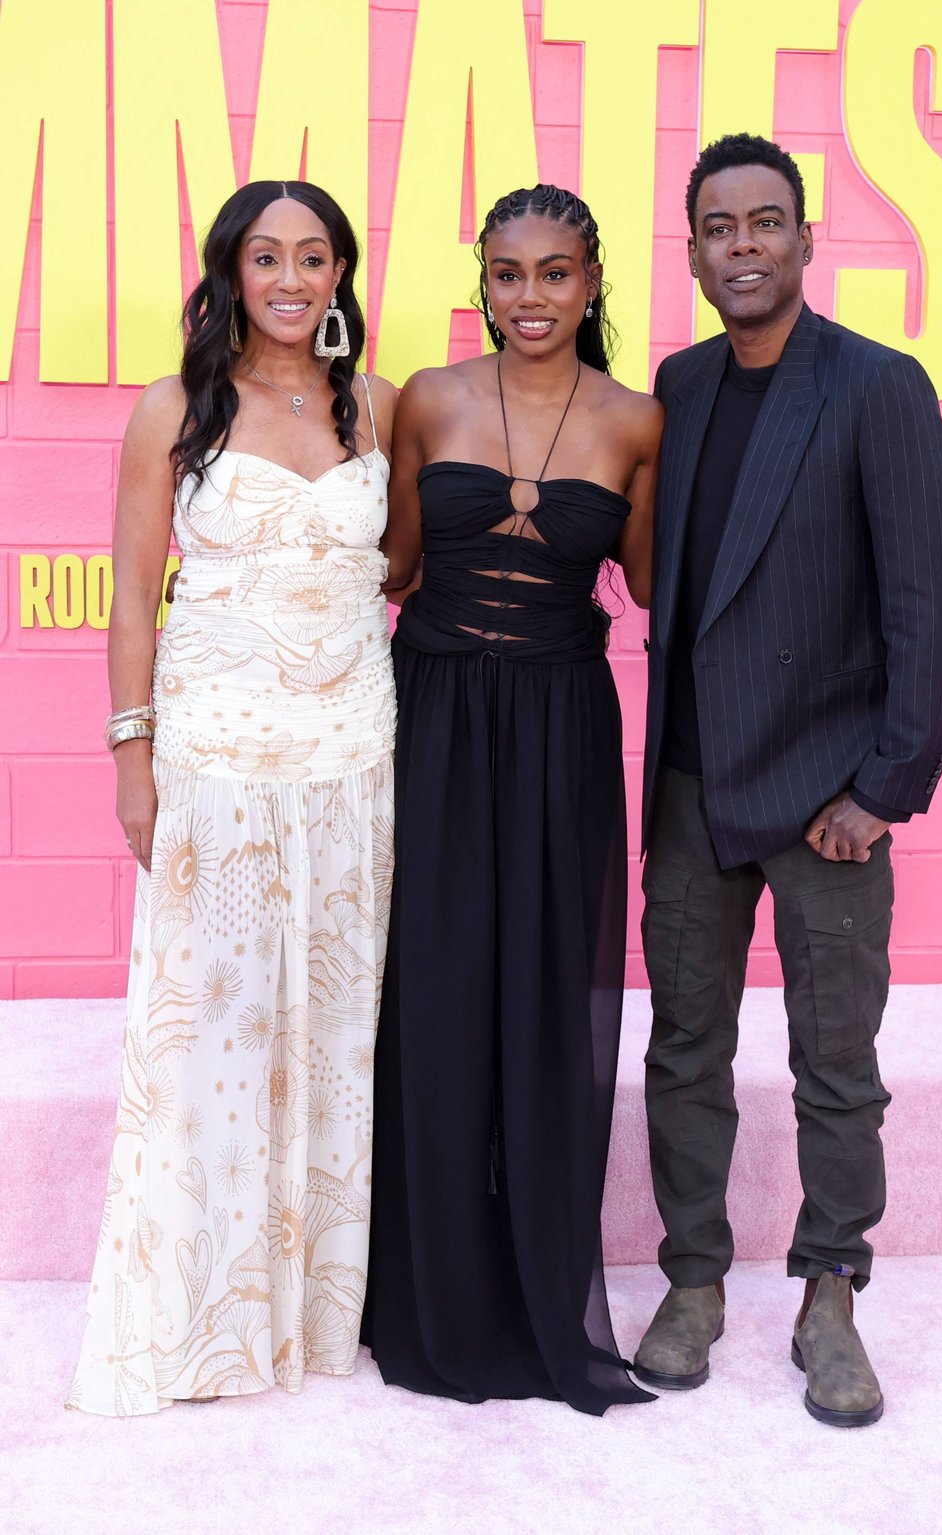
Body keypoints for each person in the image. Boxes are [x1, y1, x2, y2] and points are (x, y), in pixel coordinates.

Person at [634, 134, 942, 1426]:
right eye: (719, 228)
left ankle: (831, 1291)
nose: (744, 247)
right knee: (684, 1049)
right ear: (695, 251)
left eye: (765, 222)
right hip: (693, 786)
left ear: (806, 235)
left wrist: (886, 785)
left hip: (831, 794)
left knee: (837, 1064)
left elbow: (930, 599)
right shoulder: (680, 384)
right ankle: (695, 1280)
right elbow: (683, 579)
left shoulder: (878, 387)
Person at [68, 181, 398, 1415]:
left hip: (355, 763)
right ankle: (197, 1318)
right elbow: (130, 596)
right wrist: (131, 754)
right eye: (268, 257)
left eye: (315, 257)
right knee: (213, 1043)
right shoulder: (175, 409)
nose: (292, 278)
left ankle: (310, 1314)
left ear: (339, 274)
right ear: (229, 272)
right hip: (217, 766)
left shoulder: (374, 403)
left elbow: (392, 563)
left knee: (330, 1044)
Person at [363, 185, 661, 1416]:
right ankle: (431, 1294)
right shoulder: (426, 398)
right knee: (432, 992)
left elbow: (652, 590)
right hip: (429, 714)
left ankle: (540, 1288)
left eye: (553, 273)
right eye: (506, 273)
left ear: (593, 281)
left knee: (542, 995)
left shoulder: (640, 420)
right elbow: (385, 567)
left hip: (559, 726)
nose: (527, 296)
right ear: (477, 280)